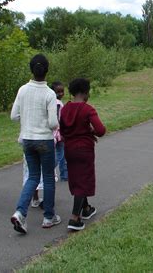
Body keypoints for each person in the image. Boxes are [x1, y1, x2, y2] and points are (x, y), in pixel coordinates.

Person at [10, 54, 60, 234]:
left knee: (32, 177)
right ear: (47, 70)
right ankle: (49, 216)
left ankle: (20, 213)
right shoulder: (49, 93)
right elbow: (53, 123)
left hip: (27, 139)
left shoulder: (23, 90)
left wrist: (29, 118)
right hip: (44, 140)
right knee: (47, 177)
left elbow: (14, 116)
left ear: (31, 69)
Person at [60, 78, 106, 231]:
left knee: (77, 178)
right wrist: (89, 132)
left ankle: (86, 209)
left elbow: (62, 130)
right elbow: (100, 130)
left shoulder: (65, 109)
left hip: (69, 148)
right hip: (84, 149)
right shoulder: (88, 109)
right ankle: (74, 218)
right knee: (83, 179)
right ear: (86, 92)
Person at [51, 81, 68, 181]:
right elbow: (57, 118)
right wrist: (61, 133)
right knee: (60, 154)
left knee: (62, 153)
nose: (61, 93)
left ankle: (64, 174)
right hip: (58, 133)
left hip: (57, 132)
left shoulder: (55, 102)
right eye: (58, 92)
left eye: (62, 91)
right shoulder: (57, 103)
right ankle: (49, 170)